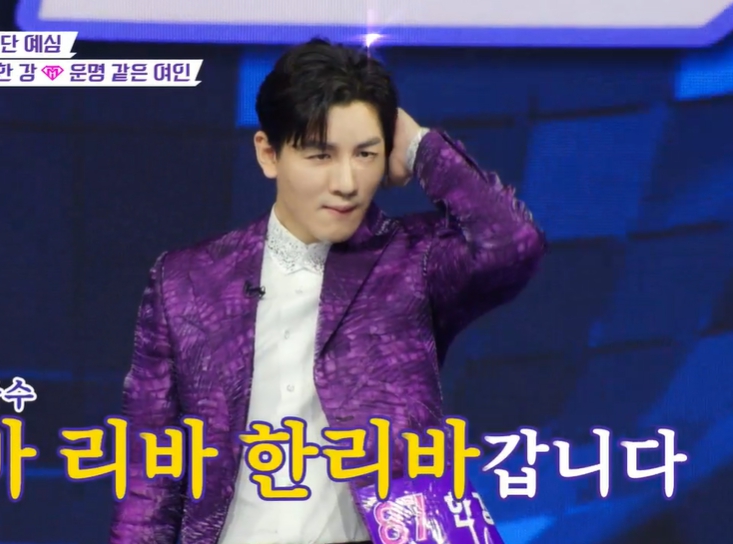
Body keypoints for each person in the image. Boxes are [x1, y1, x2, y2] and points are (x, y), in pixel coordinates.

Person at [111, 38, 546, 544]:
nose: (346, 182)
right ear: (269, 153)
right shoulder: (186, 280)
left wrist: (419, 146)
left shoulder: (413, 262)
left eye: (366, 154)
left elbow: (513, 243)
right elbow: (149, 480)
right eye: (320, 154)